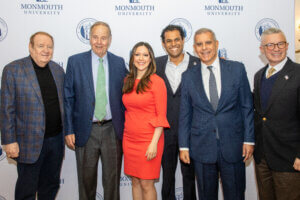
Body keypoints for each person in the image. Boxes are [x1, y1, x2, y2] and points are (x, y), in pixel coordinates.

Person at [178, 28, 254, 200]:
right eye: (199, 44)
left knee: (235, 194)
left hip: (233, 145)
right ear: (195, 48)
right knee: (205, 195)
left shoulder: (237, 69)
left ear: (217, 44)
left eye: (208, 42)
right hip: (202, 147)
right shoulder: (188, 76)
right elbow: (185, 113)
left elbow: (246, 106)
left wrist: (249, 139)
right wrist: (183, 145)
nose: (204, 48)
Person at [64, 21, 127, 200]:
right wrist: (69, 129)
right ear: (89, 38)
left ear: (110, 39)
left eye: (103, 37)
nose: (99, 42)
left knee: (112, 182)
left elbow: (129, 93)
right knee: (86, 182)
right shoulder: (75, 62)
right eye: (95, 37)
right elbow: (68, 98)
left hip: (112, 130)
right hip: (85, 130)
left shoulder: (118, 62)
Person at [0, 31, 65, 200]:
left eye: (49, 47)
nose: (46, 50)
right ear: (31, 47)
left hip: (56, 141)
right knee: (26, 189)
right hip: (27, 142)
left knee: (50, 186)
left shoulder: (58, 71)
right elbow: (6, 109)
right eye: (41, 46)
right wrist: (9, 140)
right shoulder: (13, 70)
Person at [253, 28, 300, 200]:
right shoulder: (258, 76)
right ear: (262, 49)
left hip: (289, 159)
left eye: (280, 43)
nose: (276, 48)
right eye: (270, 44)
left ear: (287, 46)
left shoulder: (298, 73)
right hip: (263, 157)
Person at [122, 42, 170, 200]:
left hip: (149, 140)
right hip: (129, 140)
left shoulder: (157, 82)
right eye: (137, 54)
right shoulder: (127, 80)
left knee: (146, 184)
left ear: (151, 59)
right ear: (132, 58)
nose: (141, 58)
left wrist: (153, 143)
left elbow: (161, 116)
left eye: (145, 55)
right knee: (135, 182)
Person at [155, 25, 197, 200]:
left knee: (190, 178)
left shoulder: (199, 63)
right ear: (164, 44)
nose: (173, 44)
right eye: (169, 41)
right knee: (167, 178)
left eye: (176, 39)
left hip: (192, 133)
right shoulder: (155, 64)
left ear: (183, 40)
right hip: (164, 132)